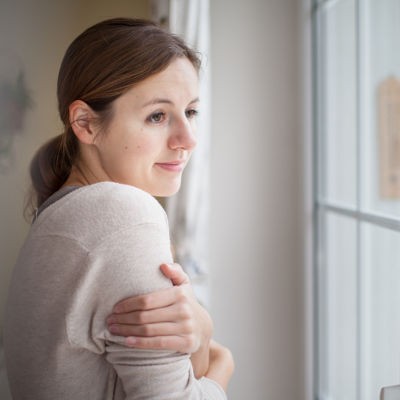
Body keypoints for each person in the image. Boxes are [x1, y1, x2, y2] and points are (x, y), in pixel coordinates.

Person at [3, 18, 234, 399]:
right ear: (85, 123)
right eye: (157, 116)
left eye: (190, 112)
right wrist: (222, 368)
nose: (188, 140)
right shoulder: (123, 213)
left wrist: (201, 330)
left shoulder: (63, 212)